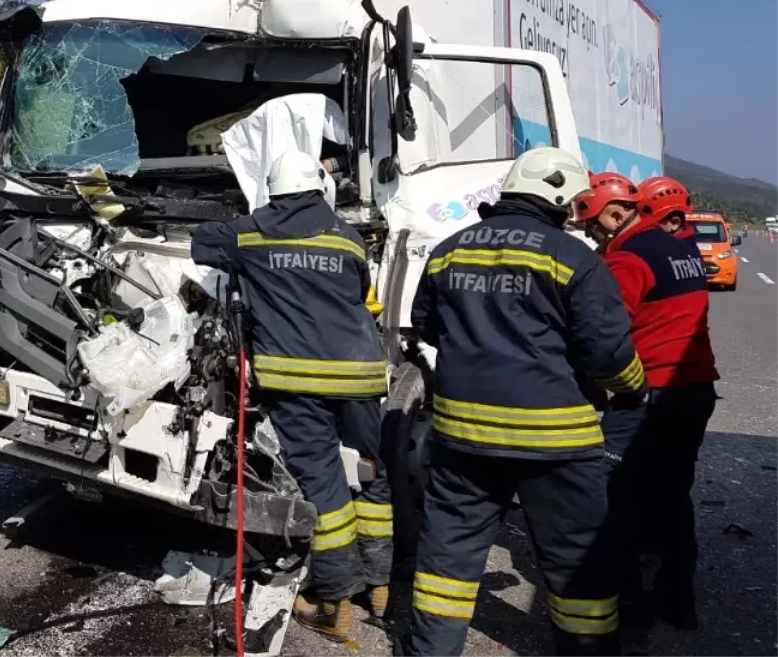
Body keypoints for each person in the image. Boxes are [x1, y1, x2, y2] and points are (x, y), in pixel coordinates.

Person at [400, 147, 648, 657]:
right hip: (558, 444)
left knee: (448, 560)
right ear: (558, 197)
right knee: (577, 562)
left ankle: (430, 651)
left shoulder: (450, 249)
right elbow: (607, 353)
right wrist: (633, 387)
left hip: (464, 437)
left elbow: (425, 325)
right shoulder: (574, 258)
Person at [191, 150, 391, 643]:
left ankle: (332, 598)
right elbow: (360, 291)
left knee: (325, 487)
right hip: (362, 376)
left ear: (273, 191)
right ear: (319, 188)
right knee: (370, 472)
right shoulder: (348, 239)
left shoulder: (251, 233)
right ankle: (381, 584)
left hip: (298, 383)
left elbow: (201, 242)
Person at [574, 173, 718, 630]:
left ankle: (629, 613)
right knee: (673, 497)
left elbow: (605, 334)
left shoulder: (629, 257)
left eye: (595, 226)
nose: (594, 236)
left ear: (616, 215)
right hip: (694, 389)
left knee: (615, 500)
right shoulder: (681, 248)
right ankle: (678, 602)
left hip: (648, 395)